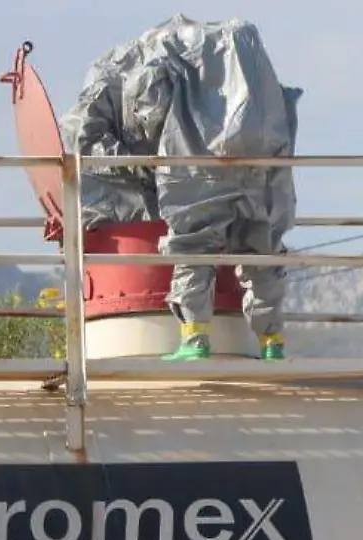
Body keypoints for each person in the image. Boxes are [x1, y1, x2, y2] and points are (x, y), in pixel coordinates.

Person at [62, 16, 300, 362]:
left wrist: (141, 164)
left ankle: (195, 337)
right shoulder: (244, 44)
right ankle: (272, 341)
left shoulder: (139, 57)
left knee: (194, 239)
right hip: (266, 147)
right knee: (261, 239)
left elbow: (143, 106)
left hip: (201, 142)